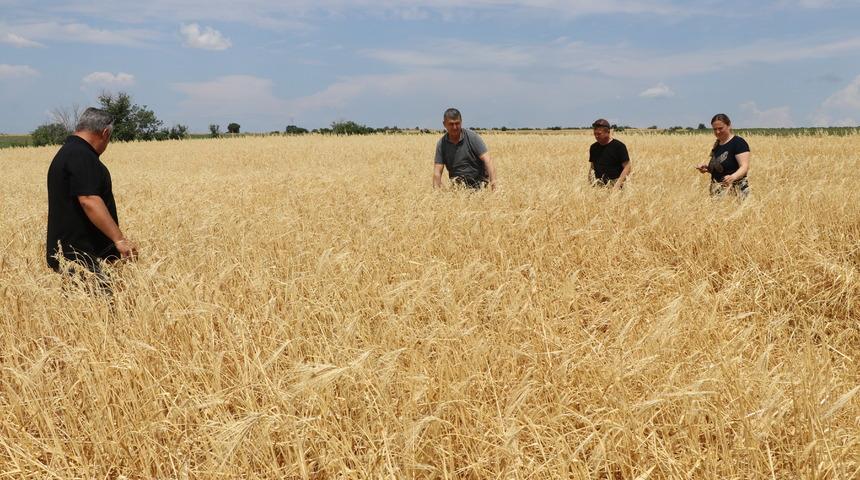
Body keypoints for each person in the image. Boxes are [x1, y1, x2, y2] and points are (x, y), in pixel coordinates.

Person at [46, 107, 137, 285]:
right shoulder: (82, 156)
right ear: (105, 133)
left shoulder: (67, 152)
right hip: (82, 256)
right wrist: (119, 240)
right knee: (103, 309)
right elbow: (89, 199)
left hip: (68, 254)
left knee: (80, 312)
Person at [433, 108, 498, 190]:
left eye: (457, 123)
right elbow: (437, 172)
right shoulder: (442, 144)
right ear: (444, 124)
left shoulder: (472, 138)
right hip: (458, 188)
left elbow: (488, 161)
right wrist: (436, 194)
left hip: (479, 186)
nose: (455, 127)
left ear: (461, 122)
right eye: (451, 124)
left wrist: (494, 189)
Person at [696, 113, 750, 198]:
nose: (717, 132)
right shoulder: (717, 144)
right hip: (717, 190)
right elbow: (721, 167)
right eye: (715, 129)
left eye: (720, 128)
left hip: (736, 190)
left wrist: (733, 177)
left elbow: (744, 167)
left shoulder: (738, 143)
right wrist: (707, 168)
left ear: (729, 126)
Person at [588, 118, 630, 190]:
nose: (596, 136)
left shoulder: (619, 146)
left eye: (599, 134)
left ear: (607, 132)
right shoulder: (593, 147)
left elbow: (627, 167)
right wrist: (590, 182)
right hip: (598, 185)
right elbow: (592, 167)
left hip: (615, 184)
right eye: (595, 134)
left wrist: (618, 184)